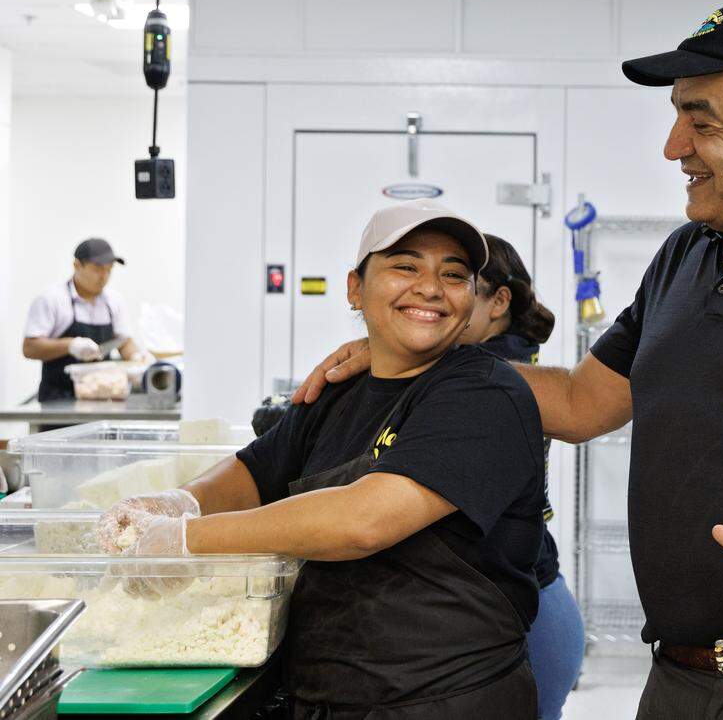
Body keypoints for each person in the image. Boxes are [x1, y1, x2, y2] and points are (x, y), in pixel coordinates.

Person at [294, 3, 723, 719]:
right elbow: (579, 402)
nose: (674, 147)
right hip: (680, 681)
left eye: (702, 121)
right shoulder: (685, 257)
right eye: (676, 117)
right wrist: (423, 357)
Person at [99, 200, 546, 718]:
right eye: (406, 266)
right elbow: (252, 471)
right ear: (355, 288)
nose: (430, 287)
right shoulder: (337, 392)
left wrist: (185, 540)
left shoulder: (484, 393)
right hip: (329, 694)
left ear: (471, 300)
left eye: (455, 275)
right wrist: (180, 503)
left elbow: (364, 520)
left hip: (442, 700)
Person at [460, 234, 584, 720]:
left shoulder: (489, 372)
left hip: (532, 612)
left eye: (460, 280)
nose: (440, 294)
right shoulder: (518, 361)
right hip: (540, 598)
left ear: (500, 301)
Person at [23, 238, 146, 402]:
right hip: (57, 402)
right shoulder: (52, 299)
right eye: (97, 269)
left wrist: (136, 359)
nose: (104, 276)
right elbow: (30, 347)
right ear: (77, 265)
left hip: (101, 400)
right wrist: (70, 345)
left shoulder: (114, 301)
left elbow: (123, 341)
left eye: (109, 270)